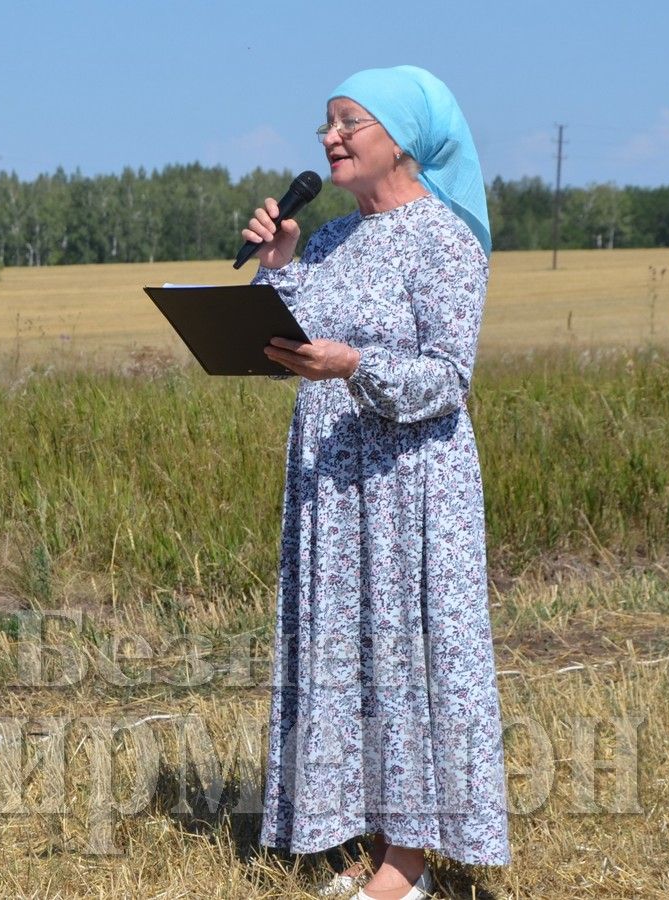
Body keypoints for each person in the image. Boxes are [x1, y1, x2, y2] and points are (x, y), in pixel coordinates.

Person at [241, 66, 509, 900]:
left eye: (348, 122)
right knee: (349, 659)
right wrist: (278, 266)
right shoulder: (323, 240)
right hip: (333, 486)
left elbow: (443, 380)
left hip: (410, 487)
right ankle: (370, 833)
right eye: (325, 122)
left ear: (401, 137)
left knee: (414, 659)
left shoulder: (444, 240)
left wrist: (352, 366)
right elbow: (294, 341)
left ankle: (412, 864)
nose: (329, 138)